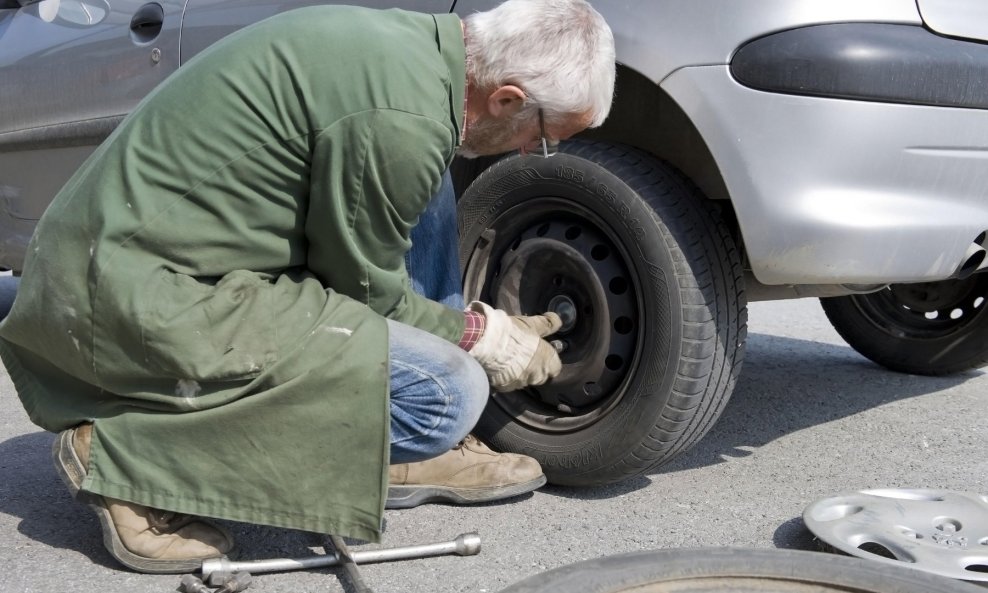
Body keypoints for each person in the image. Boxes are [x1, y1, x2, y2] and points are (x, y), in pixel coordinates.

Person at [0, 0, 616, 574]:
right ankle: (127, 457)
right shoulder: (398, 122)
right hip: (136, 295)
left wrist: (457, 330)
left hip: (127, 258)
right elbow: (367, 299)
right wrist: (483, 336)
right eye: (543, 136)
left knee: (430, 186)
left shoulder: (416, 57)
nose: (537, 151)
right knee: (447, 394)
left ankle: (383, 442)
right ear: (508, 99)